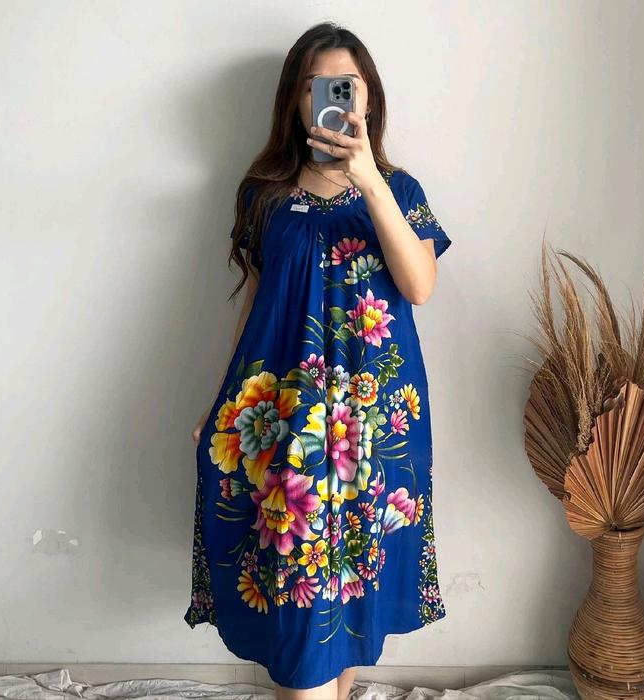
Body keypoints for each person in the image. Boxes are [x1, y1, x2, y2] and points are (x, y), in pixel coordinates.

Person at [184, 21, 452, 700]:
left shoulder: (400, 189)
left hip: (374, 422)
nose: (331, 97)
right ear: (296, 101)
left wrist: (367, 178)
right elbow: (256, 306)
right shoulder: (265, 194)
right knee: (299, 600)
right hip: (287, 421)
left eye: (345, 85)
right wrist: (218, 403)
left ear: (368, 98)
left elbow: (420, 285)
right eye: (315, 86)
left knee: (354, 595)